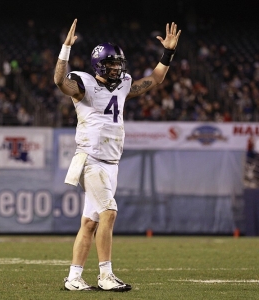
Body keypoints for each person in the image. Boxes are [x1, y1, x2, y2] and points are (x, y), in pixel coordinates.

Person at [54, 18, 181, 292]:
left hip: (110, 163)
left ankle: (74, 278)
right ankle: (105, 276)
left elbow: (156, 78)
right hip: (90, 159)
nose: (116, 68)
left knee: (89, 223)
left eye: (117, 64)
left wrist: (168, 53)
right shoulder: (84, 84)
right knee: (109, 212)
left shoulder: (123, 84)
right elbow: (59, 81)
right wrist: (65, 48)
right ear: (99, 64)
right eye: (111, 64)